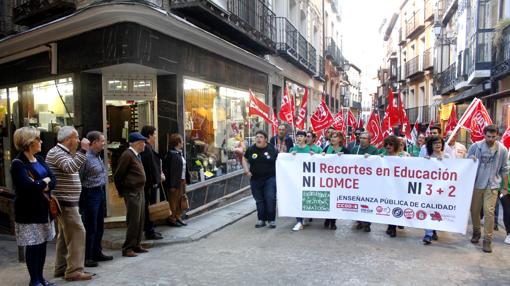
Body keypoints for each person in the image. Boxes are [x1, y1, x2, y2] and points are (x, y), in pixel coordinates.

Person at [11, 127, 57, 286]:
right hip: (29, 212)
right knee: (33, 246)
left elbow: (53, 180)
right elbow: (26, 187)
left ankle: (41, 277)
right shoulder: (18, 163)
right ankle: (35, 280)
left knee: (43, 245)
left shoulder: (40, 159)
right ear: (29, 142)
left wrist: (41, 184)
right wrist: (43, 183)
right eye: (38, 139)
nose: (41, 141)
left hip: (44, 210)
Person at [46, 126, 93, 281]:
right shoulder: (57, 152)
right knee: (78, 233)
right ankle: (74, 271)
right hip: (65, 202)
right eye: (77, 137)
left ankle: (61, 268)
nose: (79, 141)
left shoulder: (63, 152)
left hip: (67, 201)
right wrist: (84, 150)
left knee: (66, 236)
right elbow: (70, 167)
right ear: (68, 139)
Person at [467, 124, 509, 253]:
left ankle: (487, 240)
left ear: (497, 136)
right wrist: (471, 159)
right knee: (474, 211)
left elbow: (504, 169)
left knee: (489, 212)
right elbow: (466, 162)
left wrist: (505, 187)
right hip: (476, 184)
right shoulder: (475, 146)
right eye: (488, 136)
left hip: (492, 185)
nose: (491, 139)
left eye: (493, 137)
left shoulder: (502, 150)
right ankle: (476, 231)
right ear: (484, 135)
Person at [79, 131, 113, 267]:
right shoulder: (85, 158)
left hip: (99, 192)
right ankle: (87, 257)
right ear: (93, 143)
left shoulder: (97, 156)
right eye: (102, 141)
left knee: (99, 225)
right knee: (90, 226)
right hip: (90, 194)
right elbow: (79, 177)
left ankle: (97, 252)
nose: (104, 143)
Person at [114, 132, 148, 257]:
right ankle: (127, 248)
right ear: (138, 144)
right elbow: (118, 175)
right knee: (133, 220)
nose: (144, 145)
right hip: (132, 192)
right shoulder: (127, 155)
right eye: (143, 143)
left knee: (140, 219)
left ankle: (137, 244)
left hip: (140, 190)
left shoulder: (137, 155)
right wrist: (121, 191)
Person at [242, 130, 278, 228]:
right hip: (255, 179)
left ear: (265, 139)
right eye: (257, 137)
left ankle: (271, 220)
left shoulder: (272, 148)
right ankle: (261, 219)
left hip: (270, 178)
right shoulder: (251, 149)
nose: (258, 138)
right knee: (259, 200)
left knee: (270, 198)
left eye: (261, 137)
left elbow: (280, 159)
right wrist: (246, 171)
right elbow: (244, 159)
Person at [420, 136, 449, 245]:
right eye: (435, 143)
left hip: (443, 189)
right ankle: (428, 234)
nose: (438, 145)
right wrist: (425, 162)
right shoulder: (427, 157)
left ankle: (434, 230)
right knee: (429, 210)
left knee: (438, 211)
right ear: (431, 145)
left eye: (440, 143)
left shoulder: (447, 156)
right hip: (429, 189)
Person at [351, 132, 379, 232]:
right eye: (361, 138)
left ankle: (367, 223)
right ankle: (359, 221)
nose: (362, 139)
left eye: (364, 138)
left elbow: (378, 162)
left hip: (368, 181)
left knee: (366, 202)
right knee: (357, 201)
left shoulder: (373, 150)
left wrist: (371, 159)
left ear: (369, 140)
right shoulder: (355, 149)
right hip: (356, 180)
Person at [140, 126, 164, 239]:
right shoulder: (146, 148)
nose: (155, 137)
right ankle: (149, 231)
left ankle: (151, 229)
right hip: (149, 184)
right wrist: (155, 180)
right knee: (150, 208)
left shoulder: (148, 147)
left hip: (151, 183)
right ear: (149, 135)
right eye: (154, 134)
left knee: (150, 207)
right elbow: (149, 167)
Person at [321, 131, 349, 230]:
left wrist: (344, 158)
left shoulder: (345, 150)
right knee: (328, 200)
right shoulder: (327, 148)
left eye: (335, 137)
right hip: (327, 179)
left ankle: (333, 221)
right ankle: (327, 219)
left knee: (335, 201)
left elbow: (350, 163)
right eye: (332, 137)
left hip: (338, 180)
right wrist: (322, 155)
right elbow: (320, 159)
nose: (333, 139)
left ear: (340, 139)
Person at [162, 133, 190, 227]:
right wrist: (172, 185)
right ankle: (172, 219)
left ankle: (178, 217)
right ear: (178, 143)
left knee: (180, 200)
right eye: (181, 141)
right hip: (175, 182)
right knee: (173, 201)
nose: (183, 142)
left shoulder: (179, 153)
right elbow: (170, 171)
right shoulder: (171, 154)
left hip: (182, 181)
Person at [290, 130, 313, 231]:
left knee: (305, 199)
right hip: (295, 179)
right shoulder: (292, 149)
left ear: (305, 138)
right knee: (297, 199)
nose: (299, 138)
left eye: (301, 136)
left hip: (306, 179)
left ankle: (303, 218)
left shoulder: (310, 149)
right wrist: (290, 155)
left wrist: (313, 155)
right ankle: (299, 221)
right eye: (297, 136)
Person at [382, 135, 401, 238]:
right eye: (387, 144)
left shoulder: (403, 157)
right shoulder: (381, 157)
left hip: (398, 187)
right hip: (386, 186)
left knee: (395, 205)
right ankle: (390, 226)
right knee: (388, 206)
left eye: (391, 144)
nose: (388, 146)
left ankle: (392, 227)